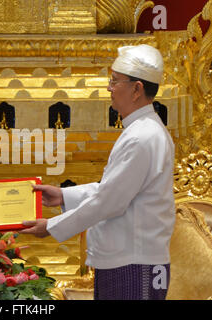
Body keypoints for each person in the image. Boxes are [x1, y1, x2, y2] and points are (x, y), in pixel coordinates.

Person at [21, 44, 176, 300]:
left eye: (115, 81)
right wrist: (63, 196)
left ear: (137, 89)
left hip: (134, 265)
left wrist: (52, 226)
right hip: (124, 261)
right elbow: (114, 190)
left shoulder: (143, 137)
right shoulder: (141, 131)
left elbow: (109, 201)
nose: (108, 88)